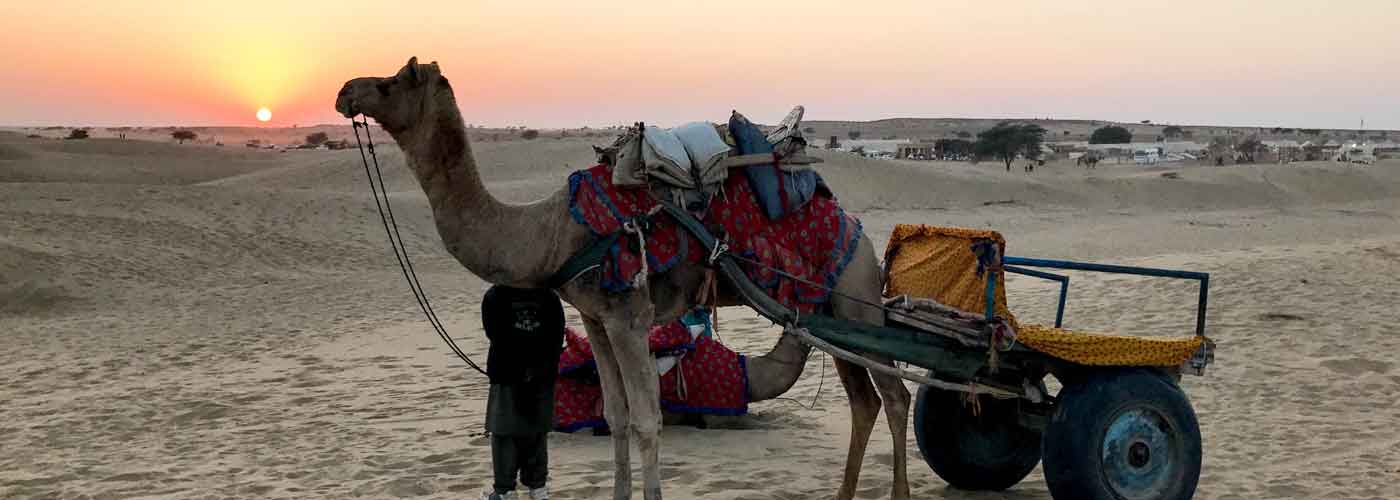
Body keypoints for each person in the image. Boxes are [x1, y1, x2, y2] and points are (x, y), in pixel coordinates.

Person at [480, 286, 566, 500]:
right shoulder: (547, 296)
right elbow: (555, 338)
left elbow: (497, 336)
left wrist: (527, 369)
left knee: (507, 432)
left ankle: (507, 489)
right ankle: (535, 487)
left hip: (514, 374)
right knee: (533, 431)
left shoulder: (496, 296)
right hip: (531, 374)